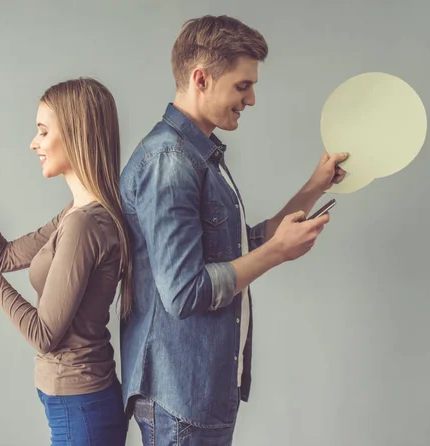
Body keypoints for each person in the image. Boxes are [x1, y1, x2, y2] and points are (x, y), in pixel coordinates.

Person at [119, 15, 349, 445]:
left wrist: (314, 187)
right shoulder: (170, 162)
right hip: (181, 397)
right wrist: (278, 253)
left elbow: (240, 247)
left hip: (198, 391)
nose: (253, 99)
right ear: (201, 78)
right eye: (243, 86)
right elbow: (185, 292)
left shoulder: (198, 156)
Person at [0, 78, 130, 445]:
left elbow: (44, 336)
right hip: (74, 402)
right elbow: (7, 255)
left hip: (82, 407)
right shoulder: (76, 213)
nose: (34, 143)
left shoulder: (85, 224)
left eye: (43, 132)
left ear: (76, 135)